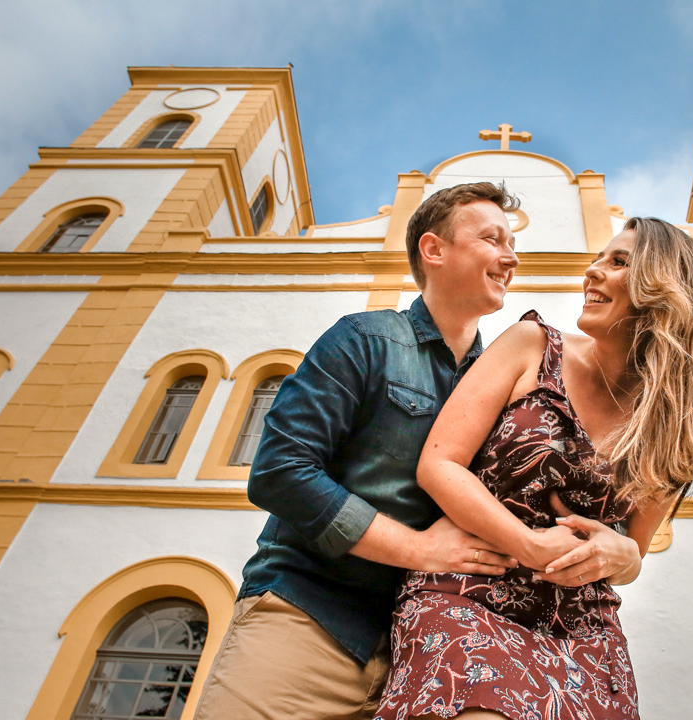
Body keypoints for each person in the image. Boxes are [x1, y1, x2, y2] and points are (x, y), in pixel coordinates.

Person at [194, 182, 577, 720]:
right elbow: (280, 470)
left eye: (512, 243)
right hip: (309, 621)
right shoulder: (364, 339)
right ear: (433, 249)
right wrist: (417, 550)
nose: (511, 257)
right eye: (492, 239)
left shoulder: (515, 389)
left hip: (429, 654)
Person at [373, 217, 693, 720]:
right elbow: (439, 465)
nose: (592, 272)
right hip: (470, 592)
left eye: (618, 262)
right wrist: (525, 543)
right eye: (599, 258)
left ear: (664, 290)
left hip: (583, 626)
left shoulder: (672, 419)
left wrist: (625, 555)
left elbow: (633, 552)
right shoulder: (531, 344)